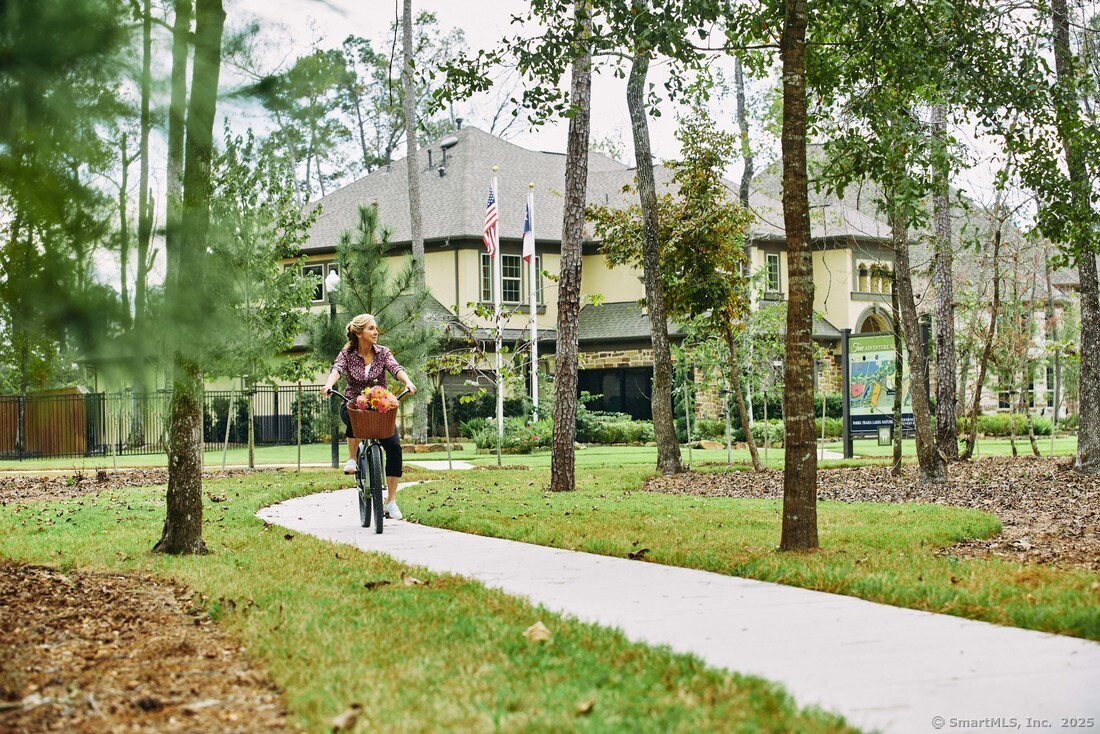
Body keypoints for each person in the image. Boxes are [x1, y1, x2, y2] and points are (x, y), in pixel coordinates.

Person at [321, 313, 416, 520]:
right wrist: (329, 385)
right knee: (353, 413)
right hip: (354, 404)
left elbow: (395, 368)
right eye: (371, 328)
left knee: (394, 447)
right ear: (359, 332)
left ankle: (391, 501)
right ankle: (353, 458)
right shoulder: (347, 354)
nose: (376, 332)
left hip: (379, 407)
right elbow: (337, 369)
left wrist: (407, 382)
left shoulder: (382, 353)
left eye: (376, 328)